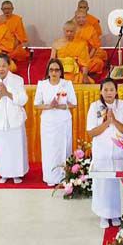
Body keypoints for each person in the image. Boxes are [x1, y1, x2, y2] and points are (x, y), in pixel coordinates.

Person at [87, 78, 123, 227]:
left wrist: (114, 121)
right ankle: (103, 215)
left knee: (117, 182)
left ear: (116, 91)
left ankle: (117, 213)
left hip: (119, 151)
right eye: (105, 90)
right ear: (100, 91)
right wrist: (107, 122)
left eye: (111, 89)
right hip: (102, 151)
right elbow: (91, 132)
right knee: (103, 183)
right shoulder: (94, 107)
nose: (108, 93)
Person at [0, 54, 29, 183]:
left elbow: (23, 99)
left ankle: (17, 174)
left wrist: (7, 94)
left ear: (9, 66)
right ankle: (4, 173)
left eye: (4, 65)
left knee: (16, 147)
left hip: (15, 119)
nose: (1, 69)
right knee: (1, 148)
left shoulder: (18, 80)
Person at [34, 58, 78, 187]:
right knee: (49, 150)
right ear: (48, 71)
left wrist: (60, 106)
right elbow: (36, 105)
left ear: (61, 72)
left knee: (63, 148)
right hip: (48, 122)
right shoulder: (42, 85)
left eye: (57, 70)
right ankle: (50, 177)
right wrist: (49, 106)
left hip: (63, 121)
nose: (54, 73)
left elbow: (74, 104)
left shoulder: (66, 84)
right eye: (51, 70)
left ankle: (65, 176)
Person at [73, 8, 106, 77]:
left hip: (88, 55)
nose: (81, 19)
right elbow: (68, 44)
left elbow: (95, 46)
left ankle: (83, 71)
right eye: (78, 17)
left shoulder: (91, 29)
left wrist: (88, 58)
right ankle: (83, 71)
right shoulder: (72, 29)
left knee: (99, 63)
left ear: (86, 18)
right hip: (74, 56)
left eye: (83, 17)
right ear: (75, 18)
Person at [0, 0, 29, 64]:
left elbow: (19, 38)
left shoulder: (17, 19)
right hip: (2, 46)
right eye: (5, 9)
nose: (7, 11)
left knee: (19, 53)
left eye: (9, 8)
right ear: (1, 9)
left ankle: (7, 57)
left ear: (12, 9)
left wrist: (11, 49)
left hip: (14, 46)